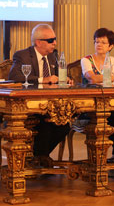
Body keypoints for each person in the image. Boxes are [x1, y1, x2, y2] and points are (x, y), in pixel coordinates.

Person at [8, 24, 71, 167]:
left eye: (55, 39)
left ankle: (39, 156)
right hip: (27, 106)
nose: (54, 43)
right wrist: (43, 80)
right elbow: (14, 76)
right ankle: (40, 158)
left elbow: (61, 75)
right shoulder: (23, 55)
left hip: (49, 105)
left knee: (64, 125)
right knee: (45, 123)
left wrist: (65, 79)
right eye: (51, 40)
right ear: (38, 42)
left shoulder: (53, 56)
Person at [81, 28, 114, 162]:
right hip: (91, 104)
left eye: (103, 42)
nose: (99, 44)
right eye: (97, 41)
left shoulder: (113, 61)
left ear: (111, 46)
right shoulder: (87, 60)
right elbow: (92, 78)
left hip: (112, 102)